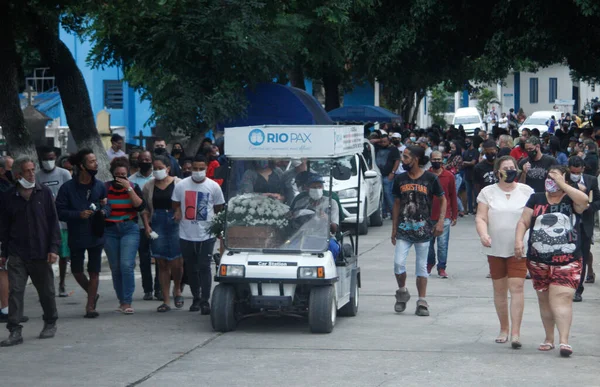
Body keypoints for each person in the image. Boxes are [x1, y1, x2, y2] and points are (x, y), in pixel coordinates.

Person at [515, 165, 589, 357]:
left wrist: (563, 184)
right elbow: (524, 221)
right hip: (538, 260)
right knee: (545, 300)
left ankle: (564, 341)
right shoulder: (536, 198)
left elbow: (584, 201)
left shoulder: (570, 198)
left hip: (568, 260)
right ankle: (549, 338)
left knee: (562, 298)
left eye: (555, 177)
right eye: (549, 177)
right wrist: (518, 241)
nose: (551, 181)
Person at [0, 156, 60, 346]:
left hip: (41, 252)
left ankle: (50, 322)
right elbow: (4, 227)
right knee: (15, 291)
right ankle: (15, 330)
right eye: (28, 171)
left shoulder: (43, 193)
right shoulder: (9, 197)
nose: (32, 173)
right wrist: (3, 253)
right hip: (17, 252)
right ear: (18, 174)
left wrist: (53, 248)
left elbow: (53, 223)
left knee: (46, 291)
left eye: (33, 169)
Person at [475, 156, 533, 348]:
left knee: (516, 288)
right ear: (497, 172)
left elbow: (532, 217)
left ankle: (516, 332)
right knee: (500, 290)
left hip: (519, 248)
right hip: (495, 248)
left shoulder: (526, 191)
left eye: (512, 167)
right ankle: (504, 328)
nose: (509, 170)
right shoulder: (487, 192)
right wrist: (483, 234)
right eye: (505, 168)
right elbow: (481, 218)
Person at [391, 146, 446, 317]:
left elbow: (443, 199)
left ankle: (422, 300)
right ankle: (402, 292)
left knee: (422, 266)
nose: (403, 160)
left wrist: (441, 221)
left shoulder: (430, 178)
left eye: (406, 157)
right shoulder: (400, 179)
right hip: (403, 229)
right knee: (398, 263)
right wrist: (393, 228)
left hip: (423, 229)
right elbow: (397, 204)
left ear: (415, 159)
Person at [56, 149, 109, 318]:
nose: (96, 164)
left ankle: (90, 306)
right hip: (77, 235)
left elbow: (108, 205)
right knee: (77, 270)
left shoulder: (100, 185)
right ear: (82, 166)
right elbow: (60, 211)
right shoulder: (68, 188)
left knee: (94, 271)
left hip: (96, 234)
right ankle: (92, 293)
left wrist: (104, 211)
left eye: (96, 161)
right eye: (92, 161)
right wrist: (78, 214)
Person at [172, 155, 225, 314]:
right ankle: (196, 297)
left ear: (206, 168)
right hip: (186, 233)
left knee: (204, 267)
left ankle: (205, 301)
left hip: (206, 234)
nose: (197, 171)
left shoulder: (213, 186)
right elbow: (175, 203)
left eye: (201, 169)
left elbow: (218, 207)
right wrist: (177, 211)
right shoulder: (181, 185)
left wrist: (215, 227)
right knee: (191, 267)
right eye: (195, 168)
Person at [141, 155, 183, 312]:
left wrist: (178, 210)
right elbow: (145, 209)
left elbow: (184, 202)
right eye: (155, 168)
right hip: (157, 222)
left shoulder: (179, 183)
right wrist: (147, 226)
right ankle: (166, 300)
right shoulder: (148, 186)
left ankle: (177, 288)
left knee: (177, 262)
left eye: (160, 168)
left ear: (168, 168)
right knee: (162, 263)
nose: (157, 171)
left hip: (175, 222)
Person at [104, 158, 146, 315]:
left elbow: (140, 206)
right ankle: (121, 300)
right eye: (117, 175)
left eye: (124, 174)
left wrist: (129, 189)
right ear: (113, 174)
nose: (121, 177)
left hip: (129, 228)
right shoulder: (105, 188)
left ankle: (127, 301)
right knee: (115, 267)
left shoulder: (134, 186)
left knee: (126, 265)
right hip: (110, 229)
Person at [36, 146, 72, 298]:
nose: (48, 162)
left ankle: (62, 283)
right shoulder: (37, 175)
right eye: (45, 159)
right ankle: (47, 285)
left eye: (51, 158)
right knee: (45, 256)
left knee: (63, 255)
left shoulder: (64, 174)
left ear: (55, 158)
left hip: (62, 222)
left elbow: (70, 193)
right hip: (44, 222)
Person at [567, 157, 600, 302]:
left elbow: (598, 200)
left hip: (585, 224)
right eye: (572, 172)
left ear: (582, 169)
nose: (575, 174)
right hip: (568, 224)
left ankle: (578, 290)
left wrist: (589, 207)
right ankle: (567, 286)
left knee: (583, 257)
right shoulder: (564, 180)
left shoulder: (591, 180)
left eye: (577, 172)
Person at [129, 150, 160, 301]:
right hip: (140, 225)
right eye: (142, 159)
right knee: (144, 258)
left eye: (148, 159)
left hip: (158, 224)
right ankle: (148, 289)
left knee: (160, 257)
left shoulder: (159, 177)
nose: (145, 161)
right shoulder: (132, 180)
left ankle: (160, 288)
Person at [427, 151, 457, 278]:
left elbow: (452, 196)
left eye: (439, 159)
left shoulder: (449, 176)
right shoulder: (426, 175)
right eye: (434, 159)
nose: (437, 162)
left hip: (444, 216)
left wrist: (454, 214)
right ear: (430, 160)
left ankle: (441, 267)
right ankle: (429, 263)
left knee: (442, 244)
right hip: (428, 215)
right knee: (428, 244)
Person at [375, 135, 401, 219]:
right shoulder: (377, 147)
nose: (383, 143)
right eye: (381, 142)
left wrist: (393, 172)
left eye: (384, 141)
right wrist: (379, 139)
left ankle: (394, 213)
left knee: (388, 193)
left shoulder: (393, 149)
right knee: (381, 195)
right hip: (378, 175)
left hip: (388, 175)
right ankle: (384, 213)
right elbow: (370, 141)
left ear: (389, 141)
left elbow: (397, 161)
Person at [446, 141, 464, 216]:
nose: (451, 149)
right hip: (451, 176)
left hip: (456, 177)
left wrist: (444, 166)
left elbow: (451, 165)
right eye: (451, 148)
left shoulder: (458, 157)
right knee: (451, 194)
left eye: (453, 148)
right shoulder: (451, 156)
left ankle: (461, 209)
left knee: (453, 194)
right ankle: (457, 210)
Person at [462, 138, 479, 215]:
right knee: (468, 193)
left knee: (476, 193)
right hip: (467, 174)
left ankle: (476, 208)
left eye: (468, 141)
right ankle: (470, 209)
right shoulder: (465, 152)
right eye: (465, 141)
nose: (466, 143)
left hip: (474, 174)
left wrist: (465, 163)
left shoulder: (475, 151)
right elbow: (462, 163)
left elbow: (473, 162)